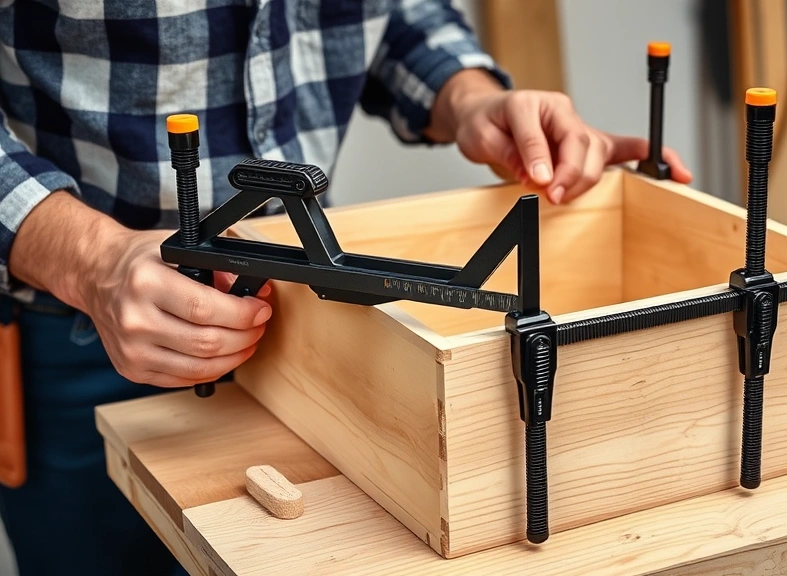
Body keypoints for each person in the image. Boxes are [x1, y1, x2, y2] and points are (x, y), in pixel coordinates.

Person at [0, 1, 691, 574]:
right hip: (82, 330)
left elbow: (390, 15)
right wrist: (87, 257)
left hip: (310, 330)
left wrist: (473, 96)